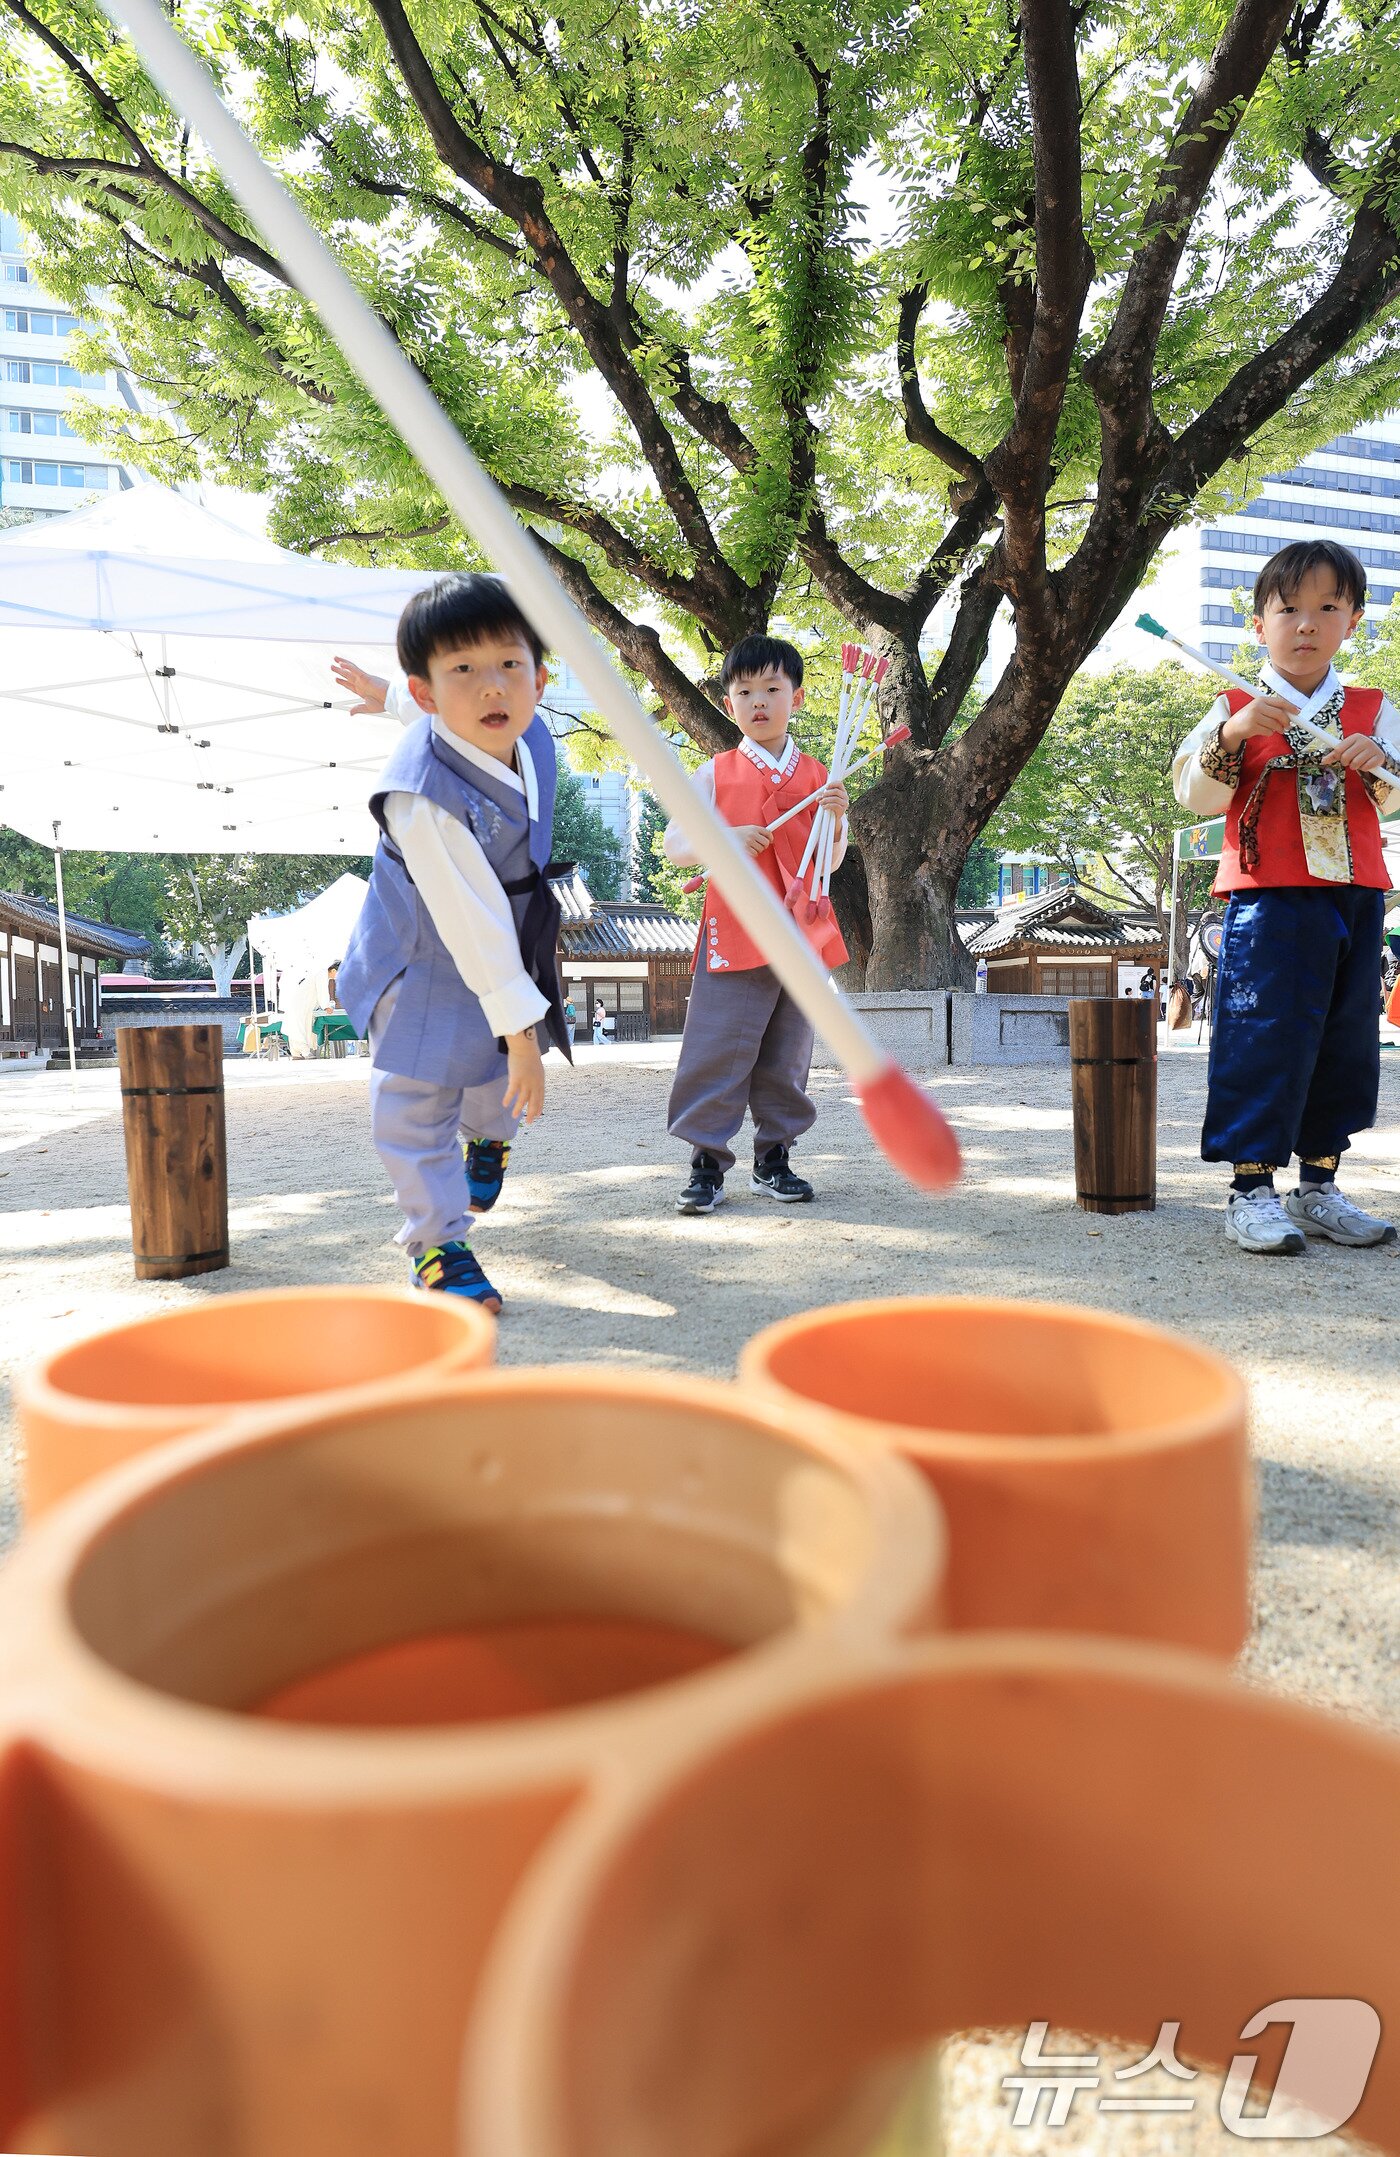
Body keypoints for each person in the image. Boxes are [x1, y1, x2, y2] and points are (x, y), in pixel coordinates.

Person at [334, 575, 572, 1309]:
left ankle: (488, 1138)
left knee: (494, 1069)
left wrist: (388, 696)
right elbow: (473, 923)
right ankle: (436, 1242)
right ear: (430, 691)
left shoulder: (525, 732)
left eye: (510, 663)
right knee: (419, 1093)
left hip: (502, 931)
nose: (491, 686)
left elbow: (441, 701)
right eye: (462, 669)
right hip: (422, 954)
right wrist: (524, 1035)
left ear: (540, 677)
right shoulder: (421, 797)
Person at [1172, 538, 1400, 1255]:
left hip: (1356, 894)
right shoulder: (1234, 704)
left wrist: (1379, 761)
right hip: (1268, 896)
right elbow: (1196, 796)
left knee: (1346, 1038)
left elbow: (1394, 798)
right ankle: (1251, 1190)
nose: (1307, 624)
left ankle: (1318, 1185)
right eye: (1288, 609)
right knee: (1263, 1035)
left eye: (1328, 608)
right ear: (1258, 624)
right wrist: (1234, 734)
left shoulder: (1373, 708)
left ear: (1352, 621)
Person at [662, 634, 848, 1214]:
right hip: (737, 926)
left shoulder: (821, 775)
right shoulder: (714, 772)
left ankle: (774, 1158)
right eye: (745, 692)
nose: (759, 701)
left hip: (801, 930)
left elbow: (830, 862)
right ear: (728, 704)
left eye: (772, 688)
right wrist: (724, 838)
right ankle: (706, 1164)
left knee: (788, 1050)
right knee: (717, 1045)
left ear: (797, 697)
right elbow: (675, 845)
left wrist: (838, 819)